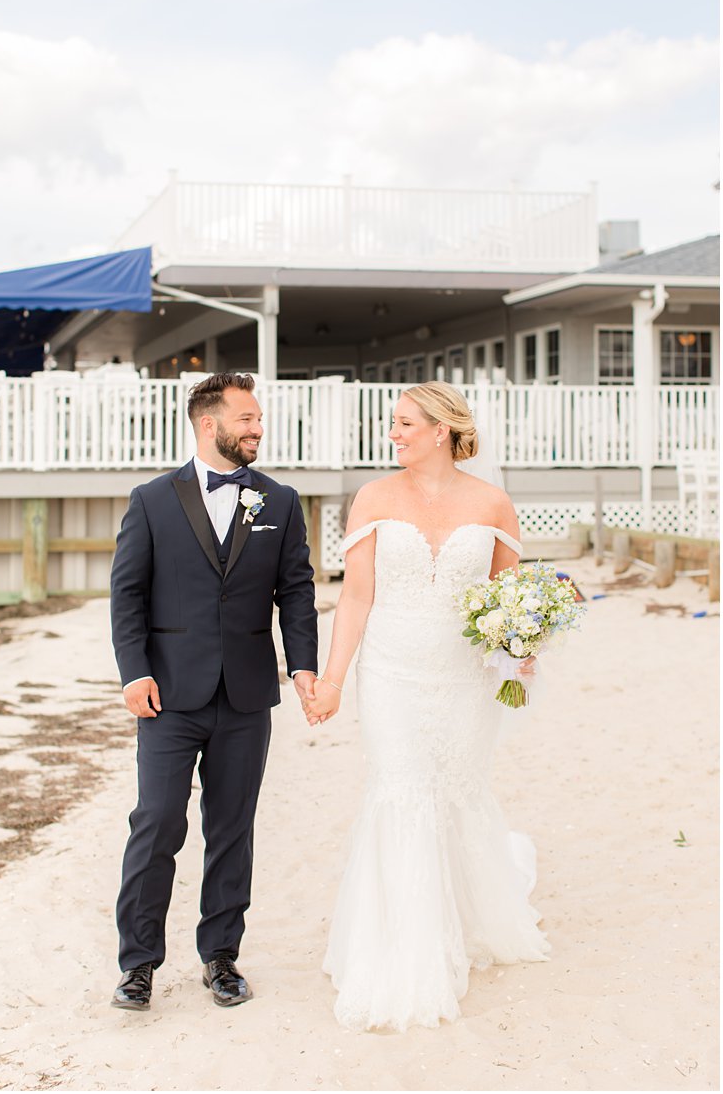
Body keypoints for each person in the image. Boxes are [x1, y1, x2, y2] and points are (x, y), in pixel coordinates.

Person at [305, 381, 549, 1032]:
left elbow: (509, 596)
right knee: (403, 789)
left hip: (466, 677)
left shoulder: (493, 501)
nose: (395, 433)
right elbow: (356, 596)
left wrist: (521, 650)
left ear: (442, 429)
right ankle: (406, 945)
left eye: (405, 422)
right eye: (395, 423)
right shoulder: (374, 498)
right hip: (390, 670)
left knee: (457, 788)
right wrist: (332, 679)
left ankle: (463, 916)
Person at [107, 372, 319, 1011]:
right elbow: (128, 594)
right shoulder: (151, 500)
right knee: (157, 823)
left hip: (248, 694)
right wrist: (134, 672)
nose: (258, 429)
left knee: (232, 827)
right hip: (168, 694)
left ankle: (221, 957)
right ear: (209, 424)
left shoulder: (278, 501)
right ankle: (138, 965)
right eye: (247, 419)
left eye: (259, 420)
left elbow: (297, 590)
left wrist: (303, 665)